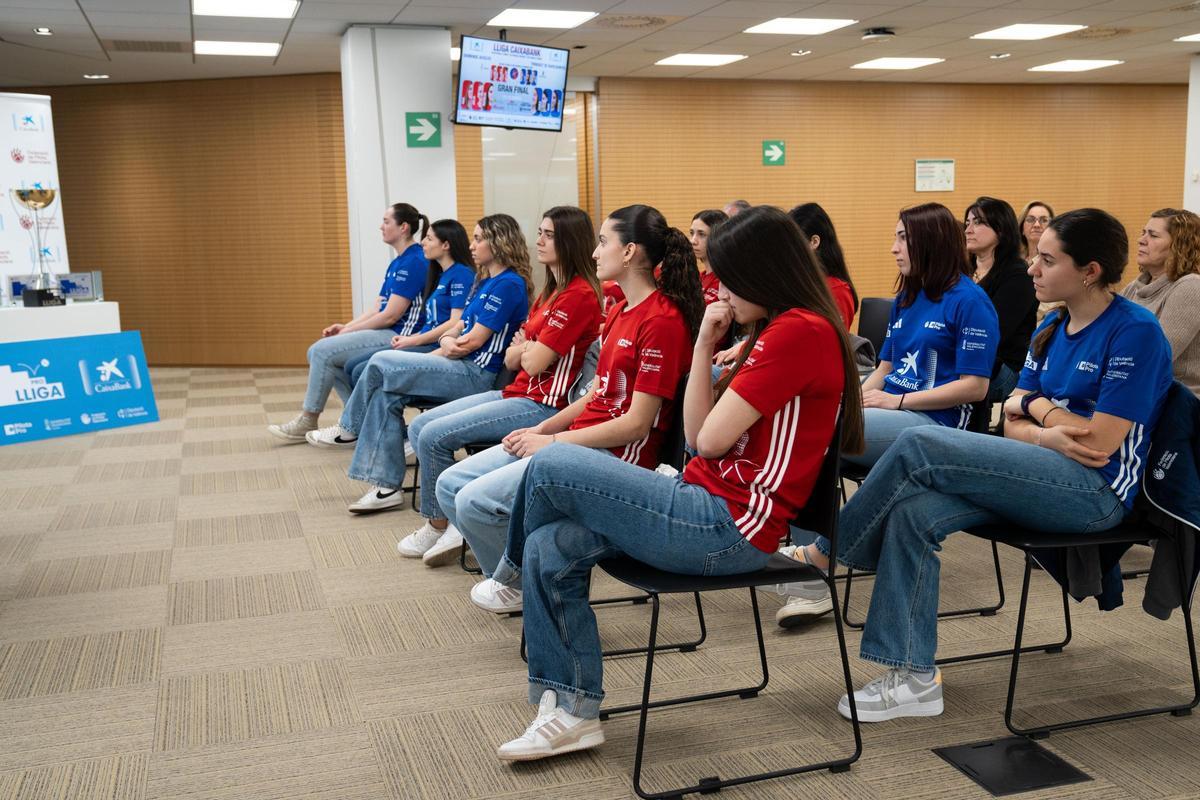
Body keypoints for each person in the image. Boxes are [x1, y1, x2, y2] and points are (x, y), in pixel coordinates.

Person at [489, 205, 865, 761]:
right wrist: (703, 345)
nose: (722, 292)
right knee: (550, 546)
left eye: (730, 277)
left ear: (765, 272)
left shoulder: (800, 333)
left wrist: (711, 351)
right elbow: (695, 437)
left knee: (549, 465)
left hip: (728, 529)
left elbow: (708, 443)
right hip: (699, 505)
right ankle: (571, 709)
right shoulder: (772, 328)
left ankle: (508, 577)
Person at [780, 208, 1172, 723]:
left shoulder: (1134, 332)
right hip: (1036, 468)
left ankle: (827, 554)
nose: (1032, 267)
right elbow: (1008, 420)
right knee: (913, 513)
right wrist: (1041, 421)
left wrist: (1032, 410)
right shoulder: (1053, 325)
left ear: (1090, 271)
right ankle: (914, 679)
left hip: (1094, 494)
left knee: (921, 444)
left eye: (1047, 260)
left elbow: (1096, 441)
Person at [437, 204, 704, 609]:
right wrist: (542, 431)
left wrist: (556, 441)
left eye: (602, 242)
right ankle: (530, 585)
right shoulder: (619, 312)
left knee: (475, 503)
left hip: (613, 457)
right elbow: (595, 396)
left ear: (629, 252)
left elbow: (636, 425)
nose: (595, 253)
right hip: (578, 439)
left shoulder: (662, 321)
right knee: (451, 485)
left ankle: (530, 592)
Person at [387, 206, 603, 565]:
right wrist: (525, 349)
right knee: (423, 425)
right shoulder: (551, 291)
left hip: (544, 404)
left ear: (569, 241)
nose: (539, 240)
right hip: (518, 391)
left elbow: (530, 360)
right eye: (540, 232)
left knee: (433, 436)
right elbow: (512, 356)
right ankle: (446, 522)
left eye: (549, 234)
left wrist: (525, 348)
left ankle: (443, 524)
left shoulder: (577, 294)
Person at [305, 214, 532, 497]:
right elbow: (457, 328)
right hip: (458, 364)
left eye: (478, 239)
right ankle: (386, 487)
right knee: (385, 395)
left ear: (499, 244)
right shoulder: (485, 281)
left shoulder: (508, 284)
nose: (472, 246)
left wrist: (451, 342)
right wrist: (447, 342)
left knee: (380, 361)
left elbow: (472, 341)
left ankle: (350, 426)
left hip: (476, 374)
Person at [847, 203, 998, 468]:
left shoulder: (970, 301)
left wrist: (897, 401)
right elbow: (885, 369)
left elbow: (975, 387)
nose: (894, 248)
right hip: (893, 406)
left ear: (932, 242)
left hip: (936, 421)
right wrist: (853, 402)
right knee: (819, 420)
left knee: (829, 432)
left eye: (903, 238)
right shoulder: (907, 296)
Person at [267, 203, 429, 443]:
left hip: (398, 334)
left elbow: (390, 316)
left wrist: (348, 331)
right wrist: (345, 327)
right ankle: (360, 420)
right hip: (387, 328)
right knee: (322, 354)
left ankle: (309, 419)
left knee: (321, 351)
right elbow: (378, 307)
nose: (381, 226)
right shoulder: (398, 261)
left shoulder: (414, 261)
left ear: (403, 227)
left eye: (386, 221)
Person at [342, 219, 476, 388]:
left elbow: (454, 322)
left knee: (361, 369)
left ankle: (360, 415)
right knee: (352, 365)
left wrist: (414, 341)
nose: (422, 243)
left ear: (446, 245)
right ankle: (356, 414)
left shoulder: (462, 275)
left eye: (429, 238)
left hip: (435, 345)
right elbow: (432, 322)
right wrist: (411, 338)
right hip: (423, 340)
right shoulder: (441, 274)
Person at [964, 197, 1037, 402]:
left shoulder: (1018, 275)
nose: (968, 229)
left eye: (978, 222)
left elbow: (993, 333)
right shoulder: (962, 270)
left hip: (1002, 369)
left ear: (1001, 229)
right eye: (967, 223)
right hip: (965, 359)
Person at [1122, 208, 1200, 396]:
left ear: (1179, 245)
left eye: (1153, 235)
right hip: (1138, 392)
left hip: (1178, 404)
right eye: (1143, 233)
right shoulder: (1136, 286)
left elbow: (1156, 357)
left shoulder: (1191, 286)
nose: (1141, 240)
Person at [789, 202, 858, 328]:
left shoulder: (837, 291)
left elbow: (830, 342)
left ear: (814, 242)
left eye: (794, 243)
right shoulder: (802, 283)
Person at [689, 209, 729, 305]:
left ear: (718, 237)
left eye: (701, 234)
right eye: (691, 233)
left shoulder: (726, 281)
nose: (693, 241)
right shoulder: (699, 277)